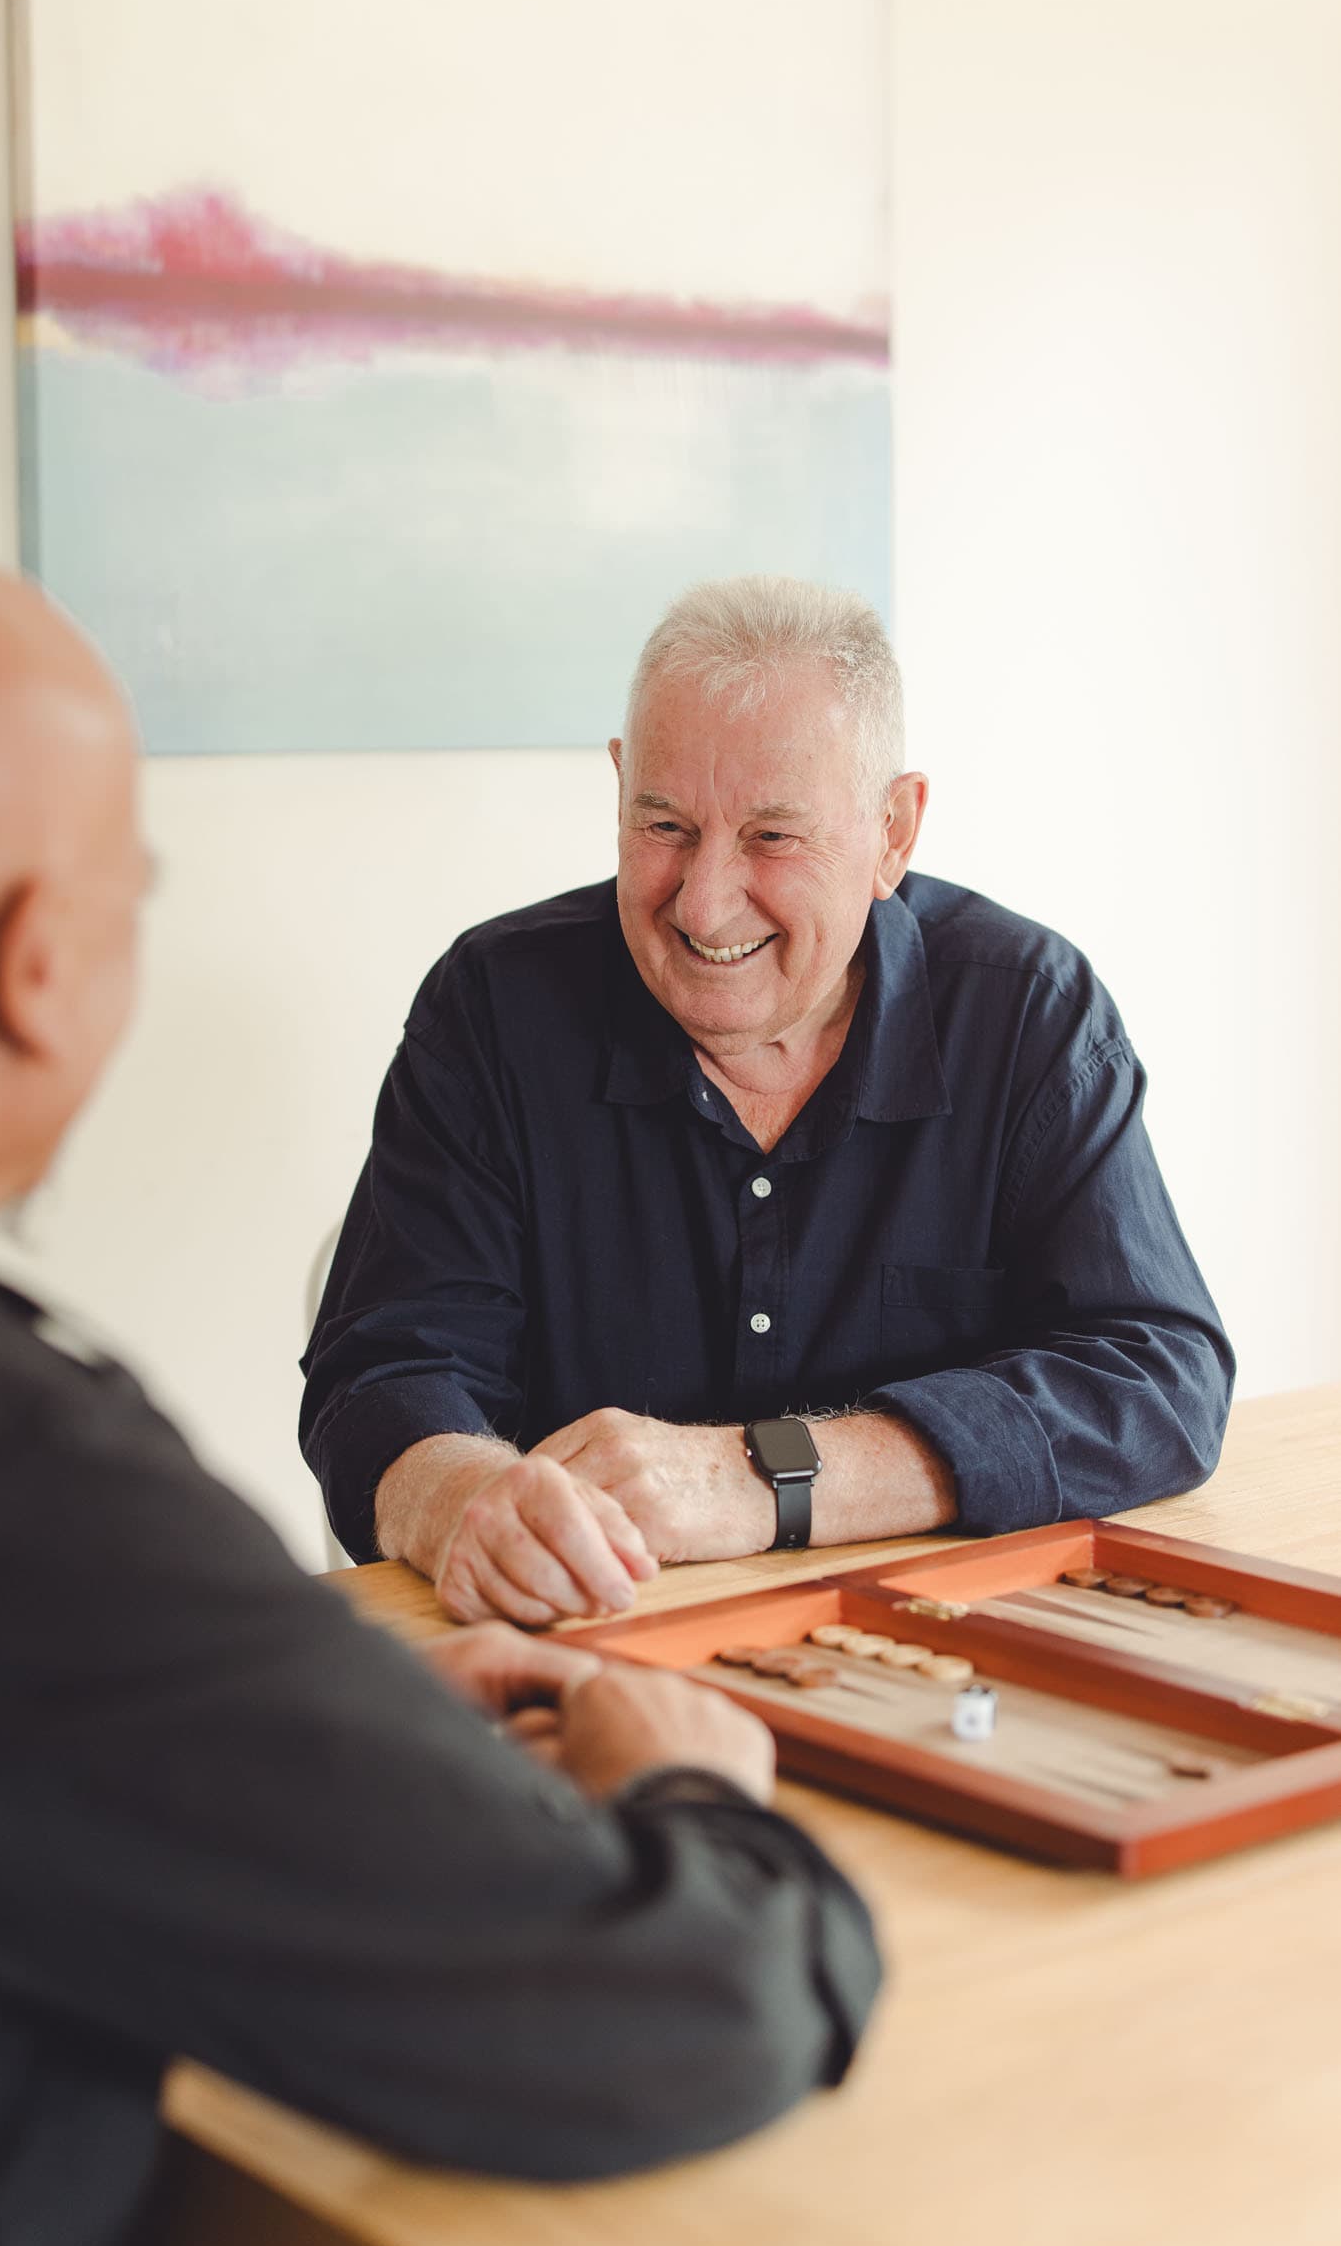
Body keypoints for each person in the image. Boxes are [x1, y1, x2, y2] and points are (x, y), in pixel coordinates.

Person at [0, 554, 880, 2246]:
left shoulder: (1034, 1006)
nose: (706, 894)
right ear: (42, 962)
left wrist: (285, 1719)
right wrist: (702, 1797)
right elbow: (660, 2020)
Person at [302, 575, 1233, 1626]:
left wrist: (760, 1478)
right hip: (579, 1653)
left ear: (892, 831)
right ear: (617, 788)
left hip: (934, 1654)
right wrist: (464, 1501)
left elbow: (1157, 1381)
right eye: (663, 824)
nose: (702, 900)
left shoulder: (1024, 1013)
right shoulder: (492, 1010)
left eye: (770, 837)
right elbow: (380, 1373)